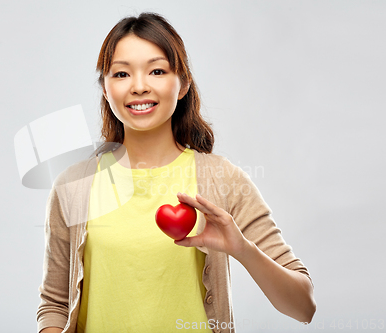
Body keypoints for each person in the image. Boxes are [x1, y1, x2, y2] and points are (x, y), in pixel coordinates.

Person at [37, 12, 316, 333]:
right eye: (121, 74)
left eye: (157, 71)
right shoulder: (74, 185)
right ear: (104, 87)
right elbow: (55, 303)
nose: (139, 87)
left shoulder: (223, 180)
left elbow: (303, 307)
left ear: (183, 84)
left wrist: (243, 250)